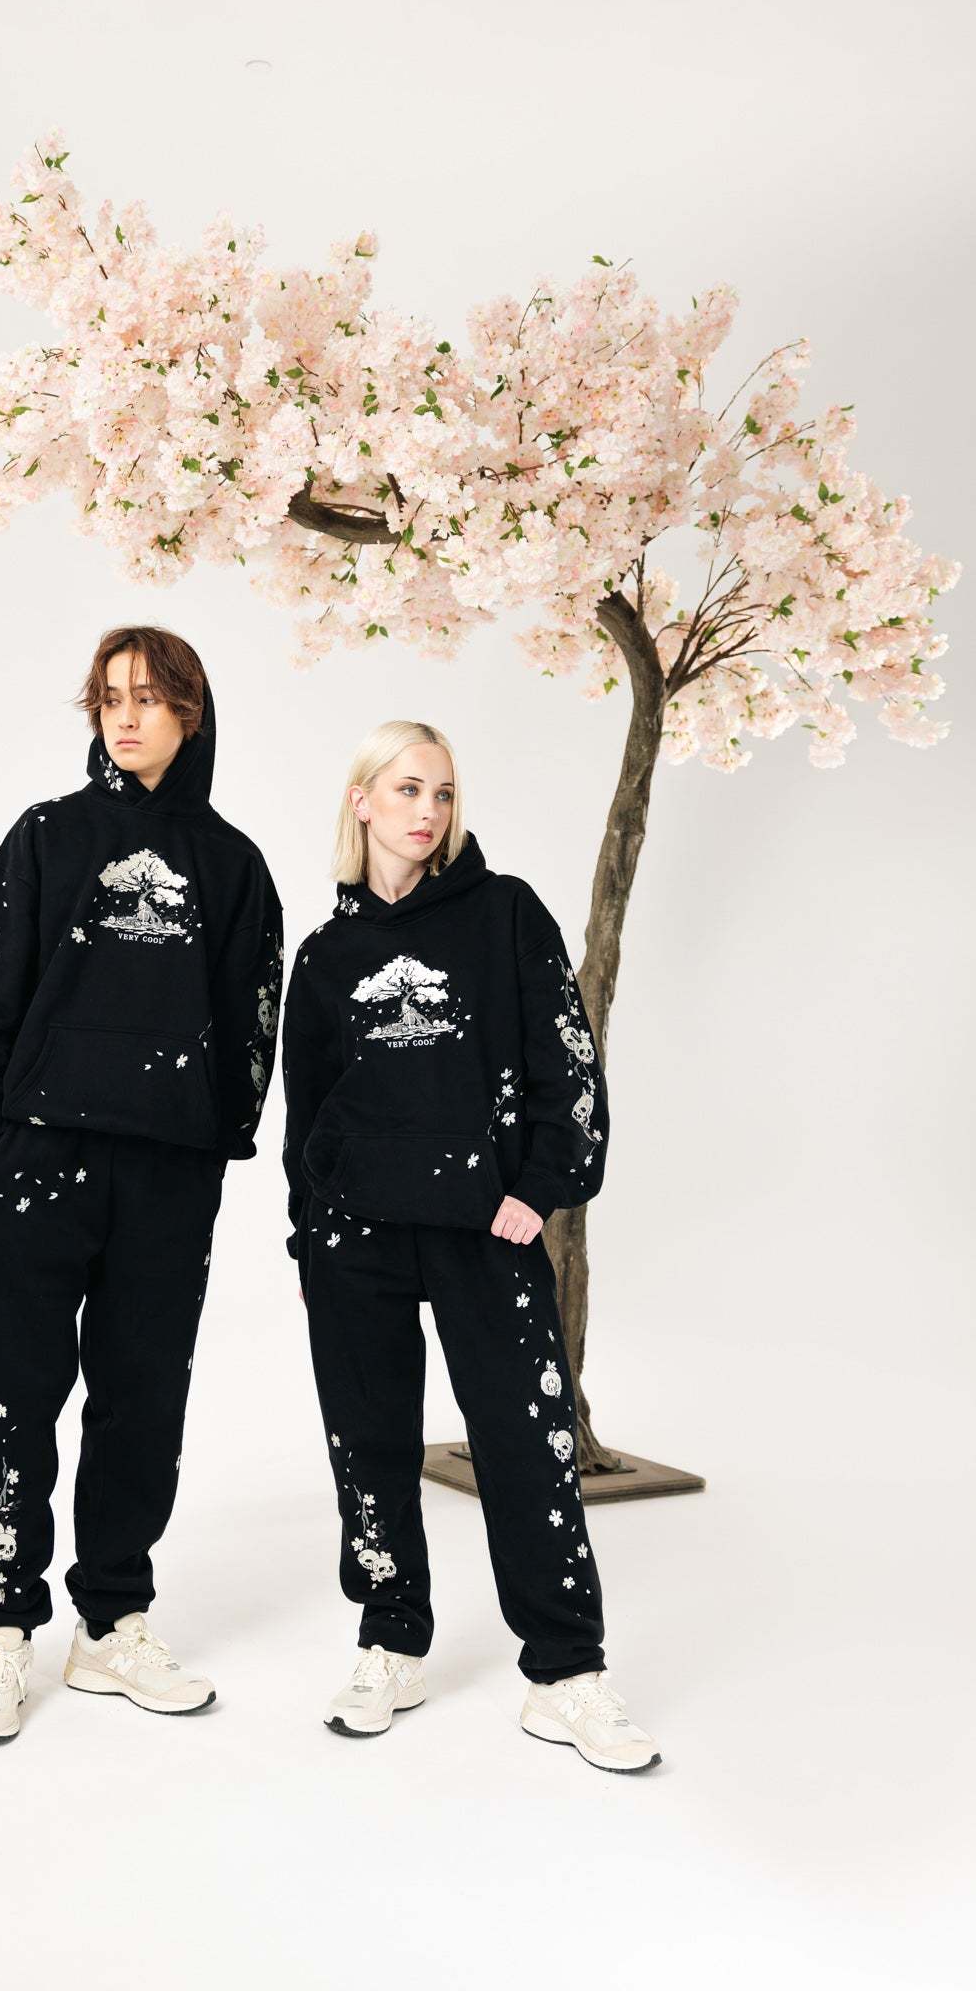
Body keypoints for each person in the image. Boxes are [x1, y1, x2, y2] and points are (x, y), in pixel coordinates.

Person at [0, 625, 284, 1743]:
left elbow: (252, 1018)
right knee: (11, 1390)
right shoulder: (47, 836)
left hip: (167, 1171)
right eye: (110, 698)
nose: (125, 717)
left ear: (189, 713)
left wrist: (212, 1144)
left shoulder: (232, 864)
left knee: (143, 1397)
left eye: (148, 698)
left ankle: (112, 1621)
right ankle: (0, 1628)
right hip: (37, 1159)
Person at [280, 720, 661, 1772]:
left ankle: (565, 1671)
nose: (428, 811)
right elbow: (305, 1111)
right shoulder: (325, 956)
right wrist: (308, 1235)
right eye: (407, 789)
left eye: (442, 793)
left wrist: (538, 1188)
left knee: (525, 1443)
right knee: (367, 1443)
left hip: (483, 1228)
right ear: (361, 799)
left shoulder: (505, 914)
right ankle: (390, 1639)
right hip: (353, 1235)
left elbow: (567, 1063)